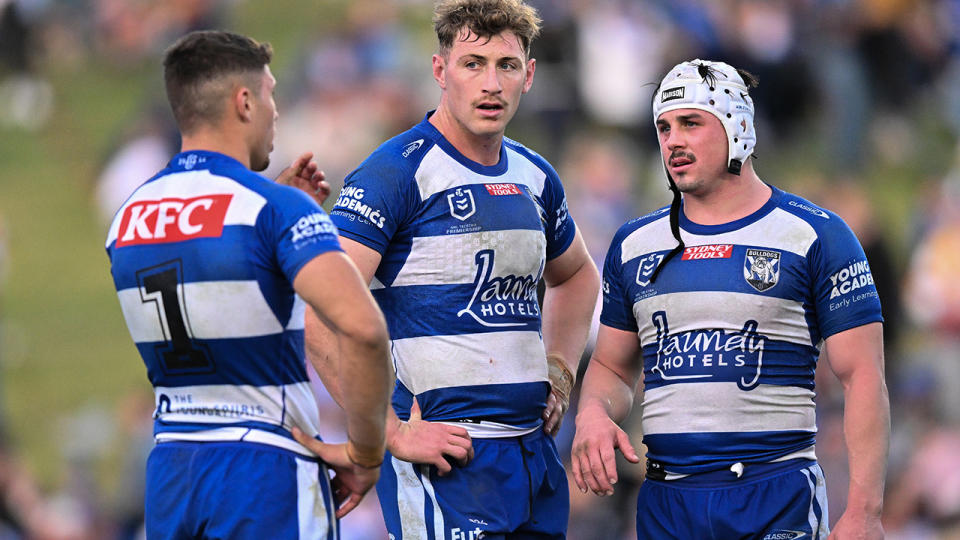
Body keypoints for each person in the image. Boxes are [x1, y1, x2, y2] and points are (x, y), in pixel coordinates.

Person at [298, 1, 600, 537]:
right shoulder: (395, 172)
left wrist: (560, 369)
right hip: (445, 466)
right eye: (472, 63)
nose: (491, 83)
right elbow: (320, 310)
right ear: (440, 71)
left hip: (531, 455)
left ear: (528, 75)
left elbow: (577, 276)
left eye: (506, 66)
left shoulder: (536, 175)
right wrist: (387, 432)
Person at [570, 59, 890, 539]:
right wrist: (593, 413)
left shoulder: (816, 234)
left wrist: (865, 512)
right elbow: (613, 369)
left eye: (691, 123)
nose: (673, 140)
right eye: (664, 126)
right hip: (666, 500)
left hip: (774, 493)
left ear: (739, 128)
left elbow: (863, 376)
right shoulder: (633, 244)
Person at [104, 30, 393, 539]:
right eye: (270, 93)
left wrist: (274, 209)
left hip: (172, 471)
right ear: (244, 102)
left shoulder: (127, 215)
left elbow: (210, 270)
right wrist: (366, 453)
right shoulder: (274, 211)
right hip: (262, 469)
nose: (276, 111)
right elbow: (365, 331)